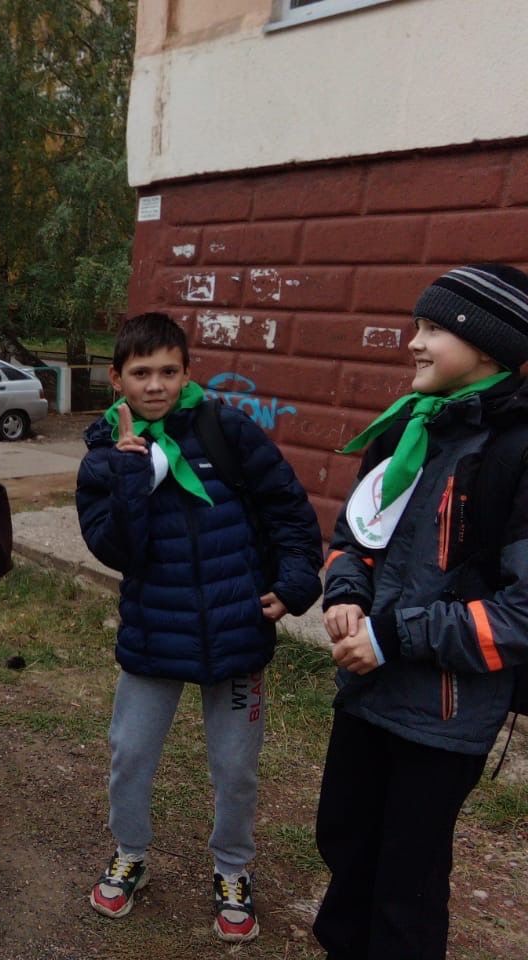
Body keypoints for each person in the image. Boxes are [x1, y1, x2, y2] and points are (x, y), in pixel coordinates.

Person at [75, 312, 323, 943]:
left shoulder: (224, 429)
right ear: (116, 379)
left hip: (236, 632)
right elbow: (115, 549)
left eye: (168, 371)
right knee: (130, 755)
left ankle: (233, 869)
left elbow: (287, 507)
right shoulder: (103, 456)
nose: (155, 385)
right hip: (155, 635)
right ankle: (131, 852)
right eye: (140, 373)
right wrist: (132, 470)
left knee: (236, 767)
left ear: (187, 372)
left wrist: (296, 583)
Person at [313, 264, 528, 960]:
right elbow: (354, 540)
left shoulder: (515, 454)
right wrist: (346, 596)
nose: (414, 342)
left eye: (435, 329)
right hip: (368, 696)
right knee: (344, 846)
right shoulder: (406, 428)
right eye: (416, 325)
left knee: (406, 884)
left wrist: (393, 634)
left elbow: (522, 614)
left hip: (444, 718)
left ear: (489, 348)